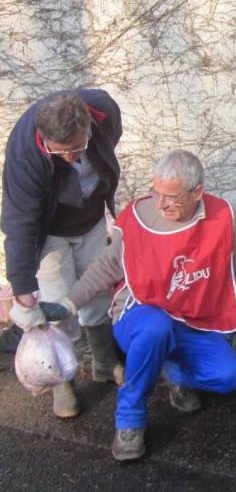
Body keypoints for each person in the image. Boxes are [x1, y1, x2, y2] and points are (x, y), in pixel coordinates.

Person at [39, 149, 236, 461]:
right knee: (156, 328)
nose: (161, 203)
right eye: (157, 193)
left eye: (171, 197)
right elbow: (106, 267)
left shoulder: (222, 215)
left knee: (228, 377)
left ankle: (173, 372)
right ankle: (129, 420)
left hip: (195, 319)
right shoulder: (139, 215)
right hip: (142, 312)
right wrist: (68, 304)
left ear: (198, 192)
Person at [4, 89, 124, 418]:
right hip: (51, 229)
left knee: (98, 288)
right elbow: (20, 224)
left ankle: (104, 359)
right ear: (44, 140)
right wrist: (23, 291)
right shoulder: (25, 153)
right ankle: (60, 378)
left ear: (88, 126)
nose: (72, 157)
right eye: (61, 153)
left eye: (78, 148)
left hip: (91, 217)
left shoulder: (103, 110)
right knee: (59, 300)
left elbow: (108, 146)